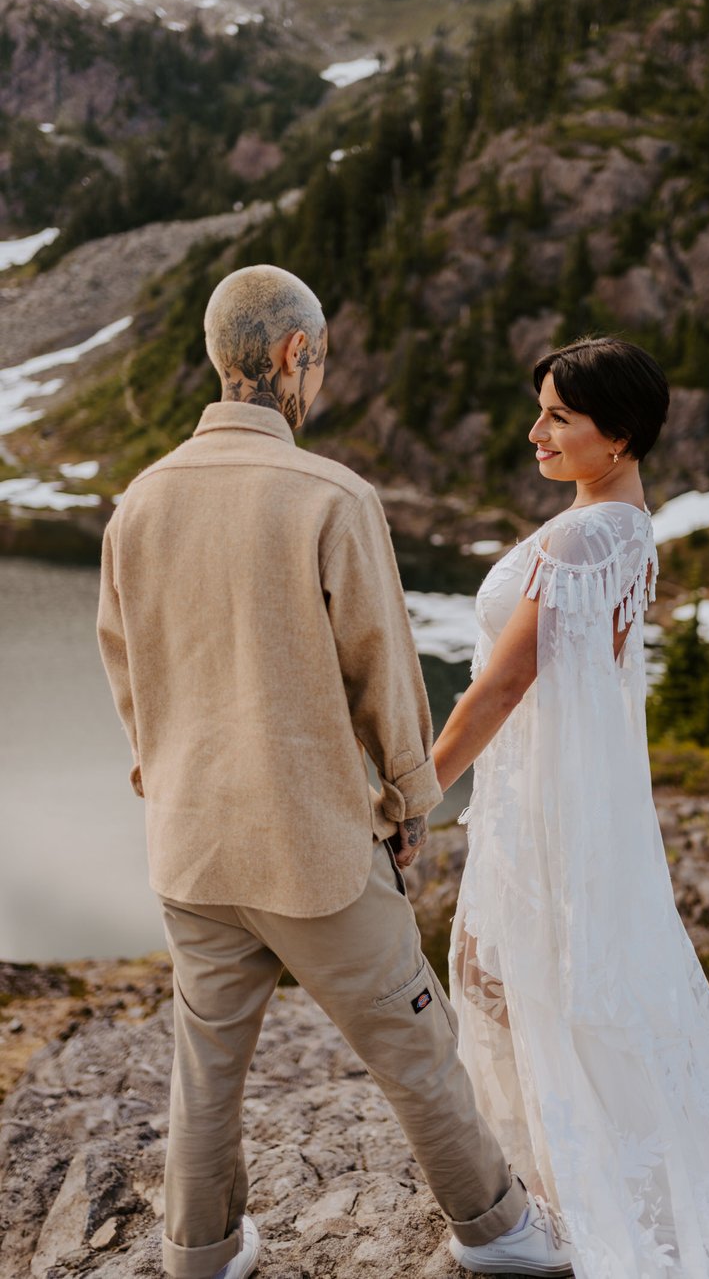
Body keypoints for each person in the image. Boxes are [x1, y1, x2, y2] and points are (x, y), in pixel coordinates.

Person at [96, 264, 573, 1279]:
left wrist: (161, 775)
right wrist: (408, 803)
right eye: (321, 359)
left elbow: (124, 665)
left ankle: (200, 1251)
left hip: (189, 846)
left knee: (205, 1066)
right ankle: (499, 1235)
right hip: (311, 844)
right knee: (414, 1044)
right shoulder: (330, 495)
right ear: (292, 356)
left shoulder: (139, 501)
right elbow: (384, 676)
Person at [432, 336, 709, 1279]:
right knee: (559, 986)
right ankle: (578, 1186)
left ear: (616, 437)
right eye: (539, 409)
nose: (535, 431)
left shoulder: (586, 535)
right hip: (557, 797)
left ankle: (569, 1203)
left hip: (542, 805)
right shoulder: (621, 525)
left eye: (558, 417)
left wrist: (416, 786)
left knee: (537, 985)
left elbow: (503, 686)